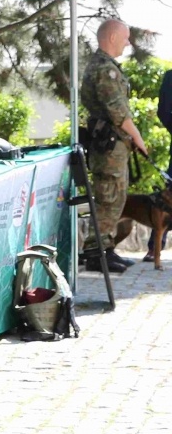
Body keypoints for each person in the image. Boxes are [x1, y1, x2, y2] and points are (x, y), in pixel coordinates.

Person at [81, 18, 149, 274]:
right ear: (111, 38)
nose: (128, 43)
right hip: (108, 146)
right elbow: (118, 111)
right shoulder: (104, 70)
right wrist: (138, 139)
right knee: (108, 199)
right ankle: (96, 253)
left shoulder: (106, 66)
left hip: (113, 145)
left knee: (115, 197)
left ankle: (105, 250)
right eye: (125, 37)